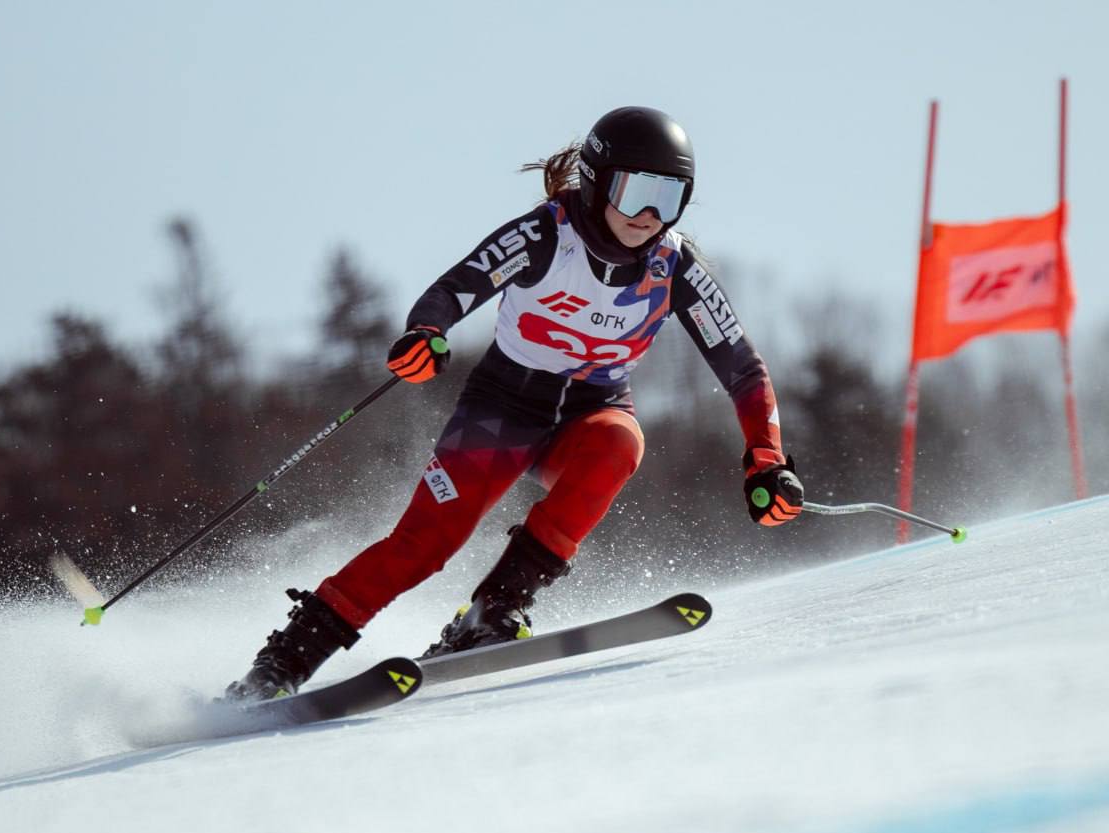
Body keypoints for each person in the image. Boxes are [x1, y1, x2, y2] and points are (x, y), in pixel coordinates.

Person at [225, 106, 804, 701]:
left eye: (669, 197)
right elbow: (457, 287)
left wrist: (767, 460)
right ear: (598, 181)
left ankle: (495, 608)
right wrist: (426, 333)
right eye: (636, 193)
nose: (650, 215)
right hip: (503, 409)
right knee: (424, 547)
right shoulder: (549, 234)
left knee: (620, 443)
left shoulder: (673, 265)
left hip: (590, 412)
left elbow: (743, 368)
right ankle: (282, 664)